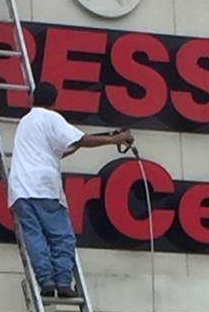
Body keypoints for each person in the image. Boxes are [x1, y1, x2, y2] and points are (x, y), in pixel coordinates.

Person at [8, 81, 133, 299]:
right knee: (61, 237)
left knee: (35, 236)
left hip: (20, 190)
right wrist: (115, 140)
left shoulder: (25, 122)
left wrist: (77, 145)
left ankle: (45, 281)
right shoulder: (51, 118)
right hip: (44, 188)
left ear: (32, 99)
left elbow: (60, 150)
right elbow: (82, 140)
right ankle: (63, 283)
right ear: (55, 102)